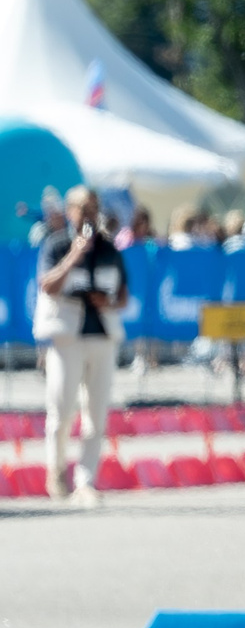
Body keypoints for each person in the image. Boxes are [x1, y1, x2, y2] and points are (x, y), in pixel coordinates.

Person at [36, 186, 129, 504]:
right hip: (67, 336)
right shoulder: (57, 244)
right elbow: (47, 285)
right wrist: (74, 255)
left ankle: (86, 479)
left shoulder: (109, 248)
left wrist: (110, 301)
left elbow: (124, 294)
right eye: (83, 208)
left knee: (96, 413)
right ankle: (56, 469)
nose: (89, 214)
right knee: (61, 410)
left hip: (101, 335)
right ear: (70, 210)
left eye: (94, 208)